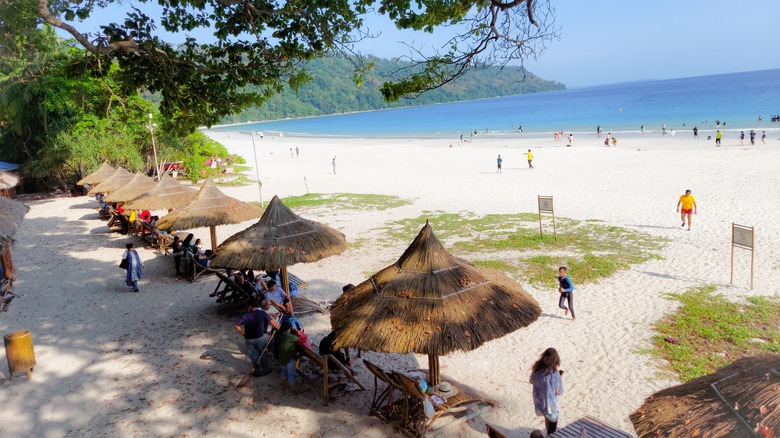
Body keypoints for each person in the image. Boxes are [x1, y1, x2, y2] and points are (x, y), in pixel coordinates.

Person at [234, 298, 280, 377]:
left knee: (253, 355)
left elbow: (236, 325)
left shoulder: (245, 315)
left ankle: (257, 371)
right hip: (259, 338)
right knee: (262, 354)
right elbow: (272, 322)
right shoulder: (262, 313)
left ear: (250, 306)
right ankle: (266, 369)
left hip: (248, 339)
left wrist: (242, 333)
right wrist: (277, 327)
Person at [530, 347, 565, 435]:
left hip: (540, 402)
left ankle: (548, 432)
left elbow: (531, 380)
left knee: (547, 417)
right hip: (550, 404)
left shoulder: (536, 369)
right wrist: (560, 378)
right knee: (553, 425)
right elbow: (559, 391)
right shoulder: (554, 373)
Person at [277, 320, 300, 387]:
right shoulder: (288, 336)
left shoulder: (280, 333)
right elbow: (297, 338)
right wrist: (295, 331)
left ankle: (283, 381)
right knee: (291, 374)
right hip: (289, 358)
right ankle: (292, 386)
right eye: (289, 328)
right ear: (288, 328)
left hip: (281, 357)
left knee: (284, 370)